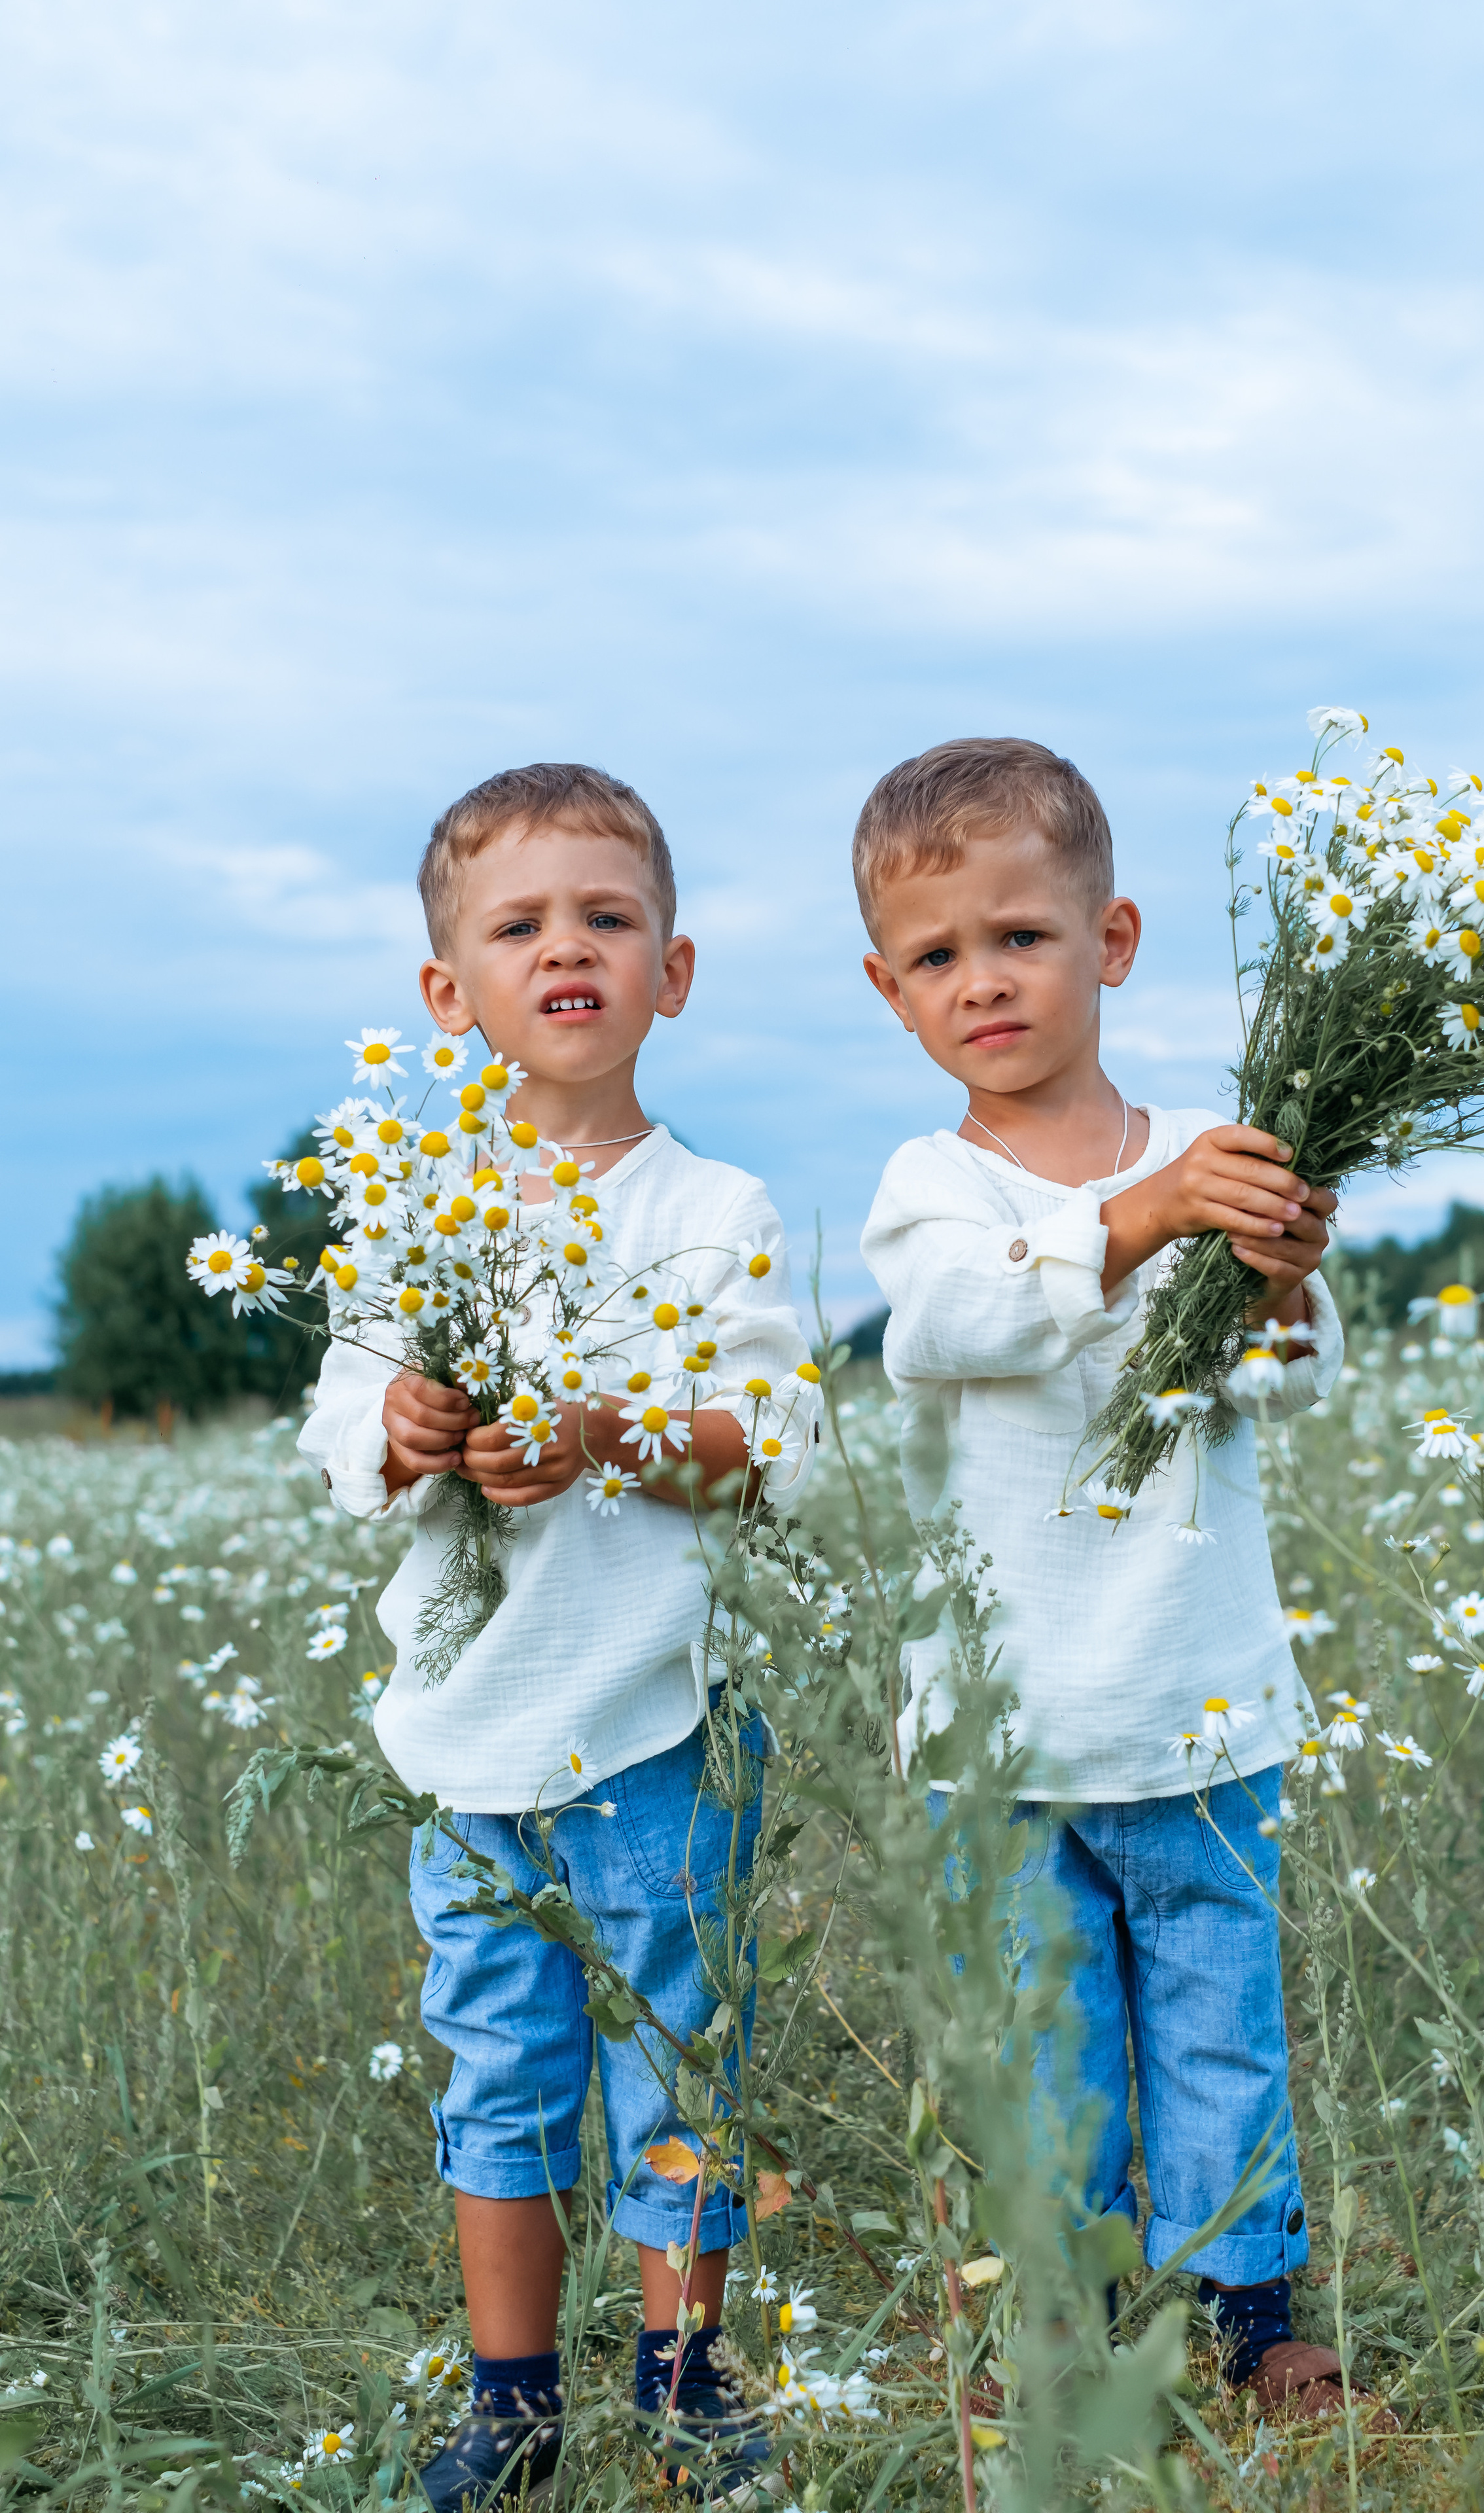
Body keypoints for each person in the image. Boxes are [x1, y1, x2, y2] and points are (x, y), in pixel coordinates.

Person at [853, 736, 1388, 2423]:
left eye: (1022, 936)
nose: (983, 981)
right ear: (890, 992)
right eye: (937, 957)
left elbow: (1288, 1381)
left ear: (1117, 940)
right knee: (1044, 2045)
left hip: (1198, 1695)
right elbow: (945, 1327)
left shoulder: (1216, 1146)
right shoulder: (934, 1188)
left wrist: (1284, 1278)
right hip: (998, 1738)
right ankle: (1063, 2310)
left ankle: (1247, 2306)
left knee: (1219, 2022)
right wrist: (1140, 1223)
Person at [299, 762, 812, 2504]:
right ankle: (509, 2413)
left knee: (681, 2061)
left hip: (656, 1729)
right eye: (519, 925)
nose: (567, 948)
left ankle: (685, 2388)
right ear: (449, 998)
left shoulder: (713, 1213)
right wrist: (414, 1429)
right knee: (497, 2074)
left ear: (674, 970)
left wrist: (610, 1437)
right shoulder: (412, 1210)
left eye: (608, 916)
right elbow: (341, 1431)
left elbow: (772, 1449)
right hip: (470, 1745)